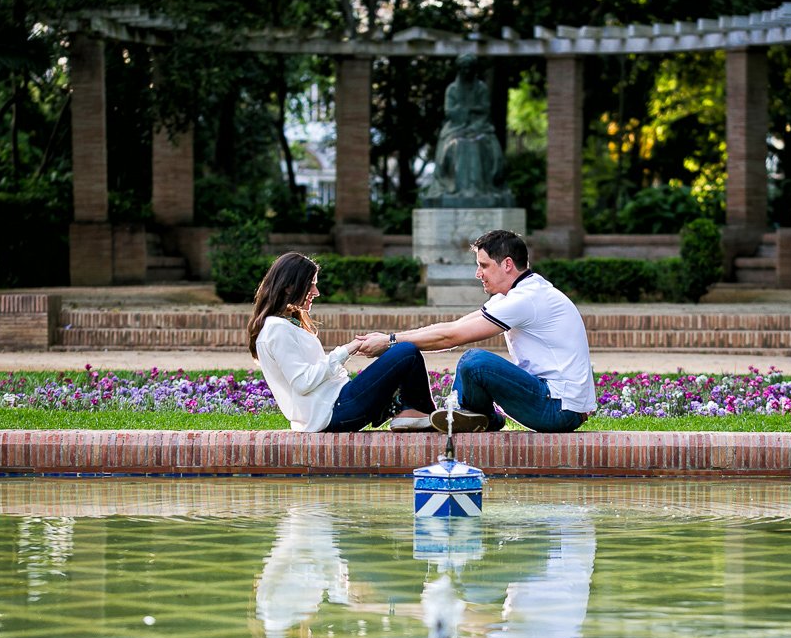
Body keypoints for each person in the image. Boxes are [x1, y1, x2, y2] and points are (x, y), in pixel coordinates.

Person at [357, 230, 595, 433]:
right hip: (556, 402)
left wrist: (389, 342)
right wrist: (392, 338)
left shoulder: (526, 298)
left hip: (558, 408)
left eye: (484, 266)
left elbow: (452, 337)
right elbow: (452, 328)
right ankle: (477, 417)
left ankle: (467, 415)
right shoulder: (517, 293)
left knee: (475, 362)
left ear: (508, 264)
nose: (478, 273)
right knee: (472, 363)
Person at [248, 252, 436, 432]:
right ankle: (426, 414)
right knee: (406, 352)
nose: (316, 292)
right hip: (334, 411)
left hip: (336, 404)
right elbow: (302, 382)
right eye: (311, 284)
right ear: (289, 286)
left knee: (403, 354)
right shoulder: (276, 328)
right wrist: (346, 350)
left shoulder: (285, 324)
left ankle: (408, 411)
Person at [420, 54, 513, 208]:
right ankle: (454, 187)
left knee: (483, 143)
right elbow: (449, 111)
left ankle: (482, 188)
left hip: (479, 127)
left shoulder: (481, 88)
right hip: (456, 127)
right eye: (464, 68)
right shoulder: (452, 89)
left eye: (470, 68)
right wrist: (465, 113)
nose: (467, 71)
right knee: (456, 144)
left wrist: (470, 116)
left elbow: (484, 110)